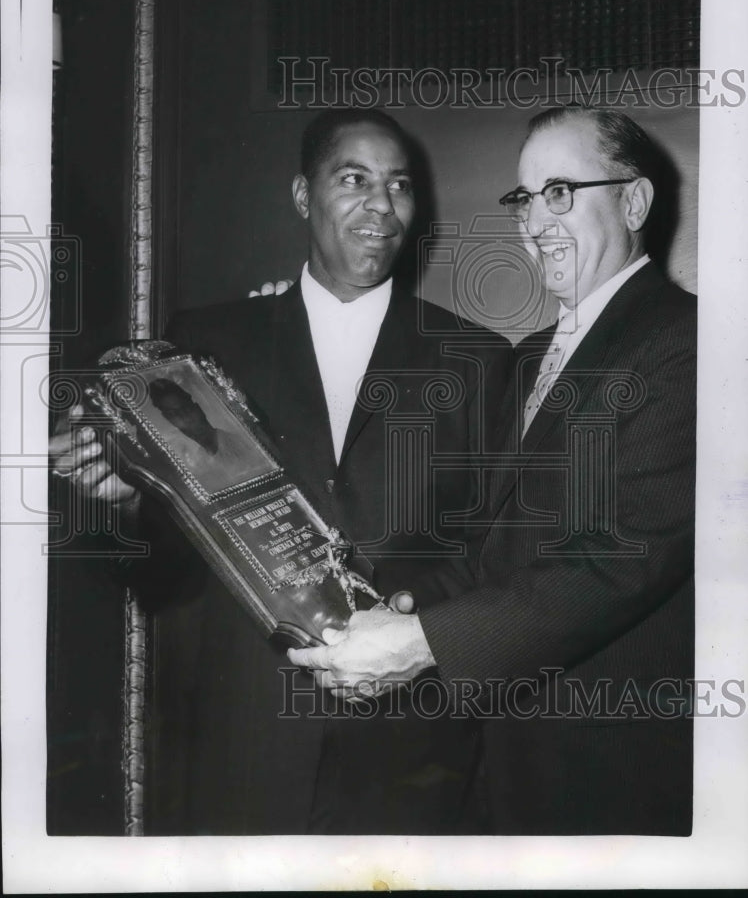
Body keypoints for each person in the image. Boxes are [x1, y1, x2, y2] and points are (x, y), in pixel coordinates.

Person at [49, 107, 514, 834]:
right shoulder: (203, 344)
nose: (380, 206)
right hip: (241, 740)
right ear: (304, 196)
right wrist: (118, 504)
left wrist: (413, 627)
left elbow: (497, 551)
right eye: (353, 179)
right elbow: (161, 569)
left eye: (399, 185)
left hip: (408, 743)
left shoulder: (479, 358)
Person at [289, 106, 696, 836]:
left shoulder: (690, 343)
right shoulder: (530, 354)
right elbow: (488, 546)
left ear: (633, 201)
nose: (536, 221)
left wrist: (421, 644)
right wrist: (391, 614)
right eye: (525, 198)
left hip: (619, 774)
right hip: (506, 766)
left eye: (562, 192)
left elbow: (622, 559)